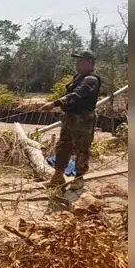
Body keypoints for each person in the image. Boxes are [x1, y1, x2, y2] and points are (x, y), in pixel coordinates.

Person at [38, 51, 102, 190]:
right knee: (63, 146)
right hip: (69, 117)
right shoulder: (78, 77)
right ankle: (58, 176)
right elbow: (70, 94)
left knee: (82, 148)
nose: (77, 64)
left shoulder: (91, 79)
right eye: (77, 61)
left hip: (83, 119)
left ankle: (79, 178)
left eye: (81, 61)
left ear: (90, 63)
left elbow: (76, 95)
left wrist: (53, 104)